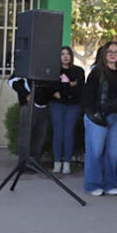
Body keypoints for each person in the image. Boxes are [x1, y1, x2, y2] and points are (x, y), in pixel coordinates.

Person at [82, 41, 117, 196]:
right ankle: (92, 184)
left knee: (113, 154)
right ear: (103, 54)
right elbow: (88, 96)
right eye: (110, 51)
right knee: (95, 153)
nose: (113, 54)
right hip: (98, 117)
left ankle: (110, 184)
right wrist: (94, 114)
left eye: (116, 51)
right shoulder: (96, 73)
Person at [50, 46, 85, 174]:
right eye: (62, 54)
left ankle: (67, 163)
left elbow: (79, 89)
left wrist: (63, 89)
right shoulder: (54, 71)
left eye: (67, 54)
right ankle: (57, 162)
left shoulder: (78, 71)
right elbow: (52, 87)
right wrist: (69, 85)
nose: (65, 56)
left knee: (69, 133)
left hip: (73, 105)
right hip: (57, 105)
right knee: (58, 133)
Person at [8, 73, 53, 164]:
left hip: (44, 106)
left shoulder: (48, 66)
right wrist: (26, 94)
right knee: (26, 135)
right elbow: (12, 81)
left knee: (40, 135)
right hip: (29, 106)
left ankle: (35, 162)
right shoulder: (26, 65)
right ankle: (24, 163)